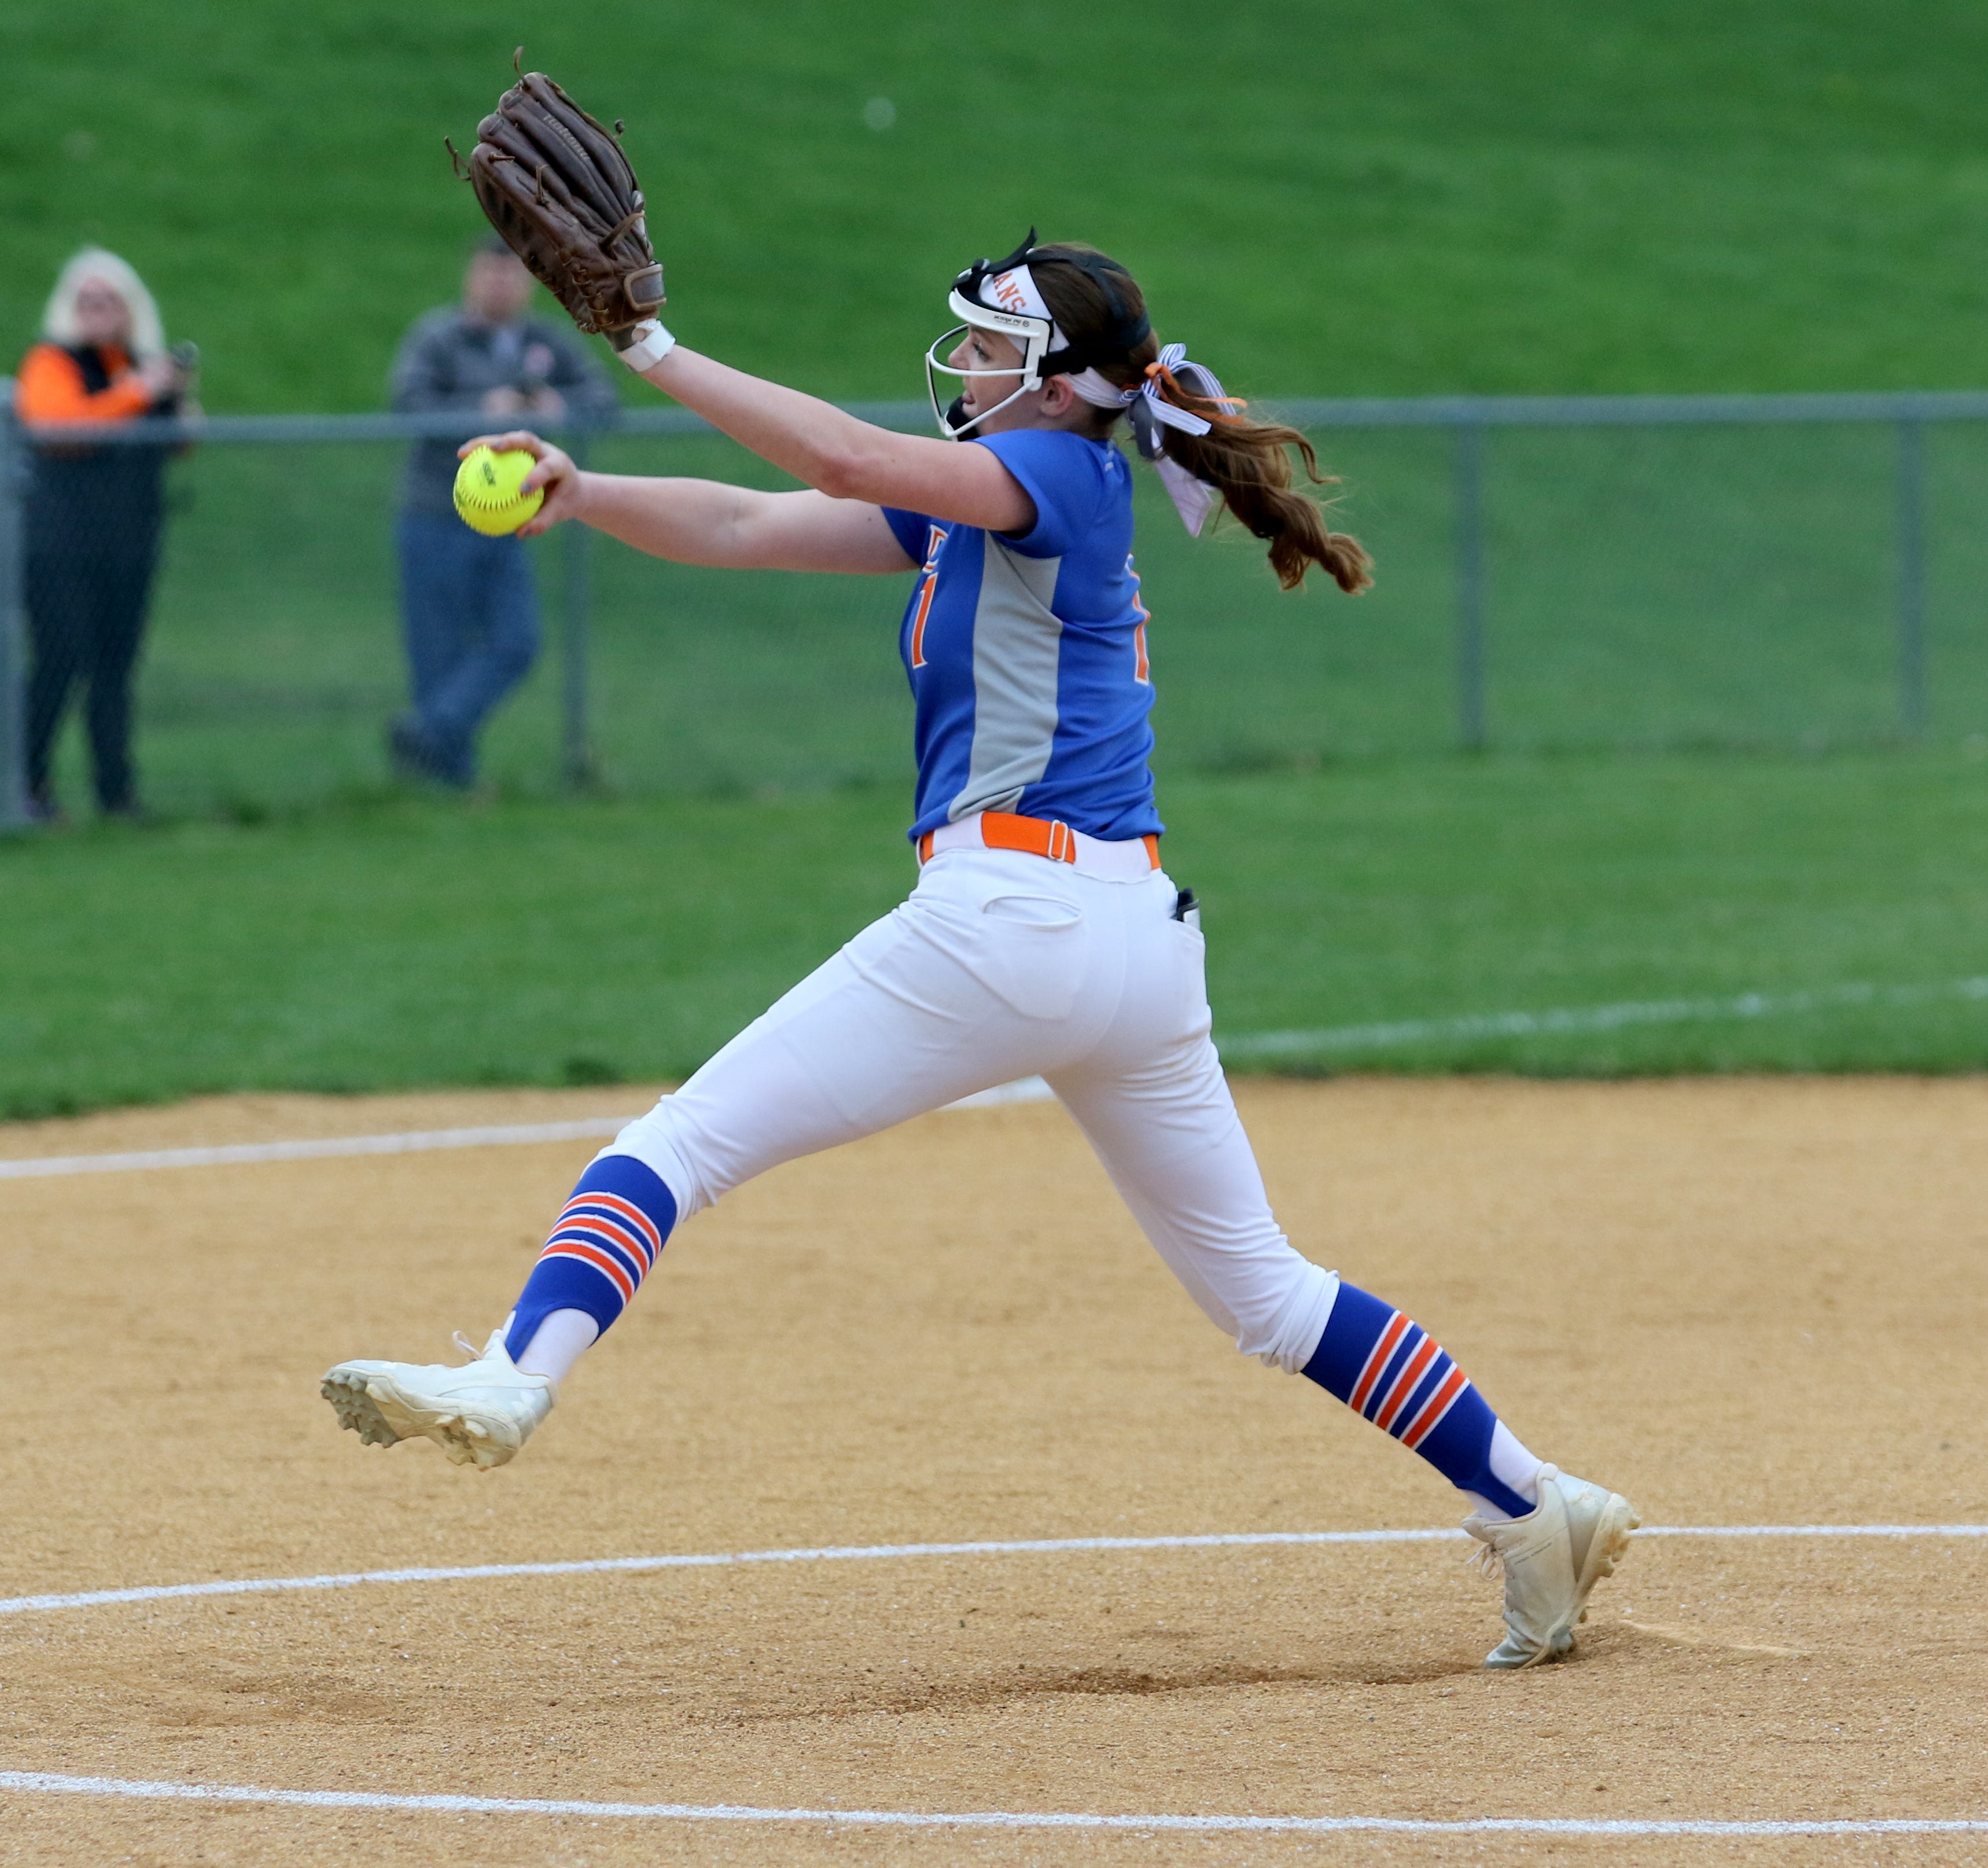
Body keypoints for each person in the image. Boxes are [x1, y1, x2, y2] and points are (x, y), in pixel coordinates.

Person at [323, 233, 1637, 1669]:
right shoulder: (990, 503)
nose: (967, 364)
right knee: (1264, 1293)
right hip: (1129, 941)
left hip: (1008, 922)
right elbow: (752, 524)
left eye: (996, 347)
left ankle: (516, 1375)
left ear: (1067, 384)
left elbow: (833, 457)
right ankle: (1532, 1504)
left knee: (681, 1144)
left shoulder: (1058, 476)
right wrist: (583, 493)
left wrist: (649, 353)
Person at [385, 237, 615, 788]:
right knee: (437, 651)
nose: (499, 284)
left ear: (531, 282)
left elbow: (603, 401)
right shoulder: (439, 337)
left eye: (512, 274)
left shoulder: (546, 343)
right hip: (437, 515)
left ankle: (427, 731)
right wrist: (481, 412)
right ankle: (449, 784)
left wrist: (556, 407)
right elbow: (406, 404)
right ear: (470, 278)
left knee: (517, 641)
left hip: (514, 522)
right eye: (489, 273)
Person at [13, 248, 193, 822]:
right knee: (60, 662)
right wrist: (141, 391)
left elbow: (177, 442)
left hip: (129, 542)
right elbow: (57, 429)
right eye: (87, 301)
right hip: (60, 545)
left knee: (115, 671)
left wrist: (175, 394)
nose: (98, 311)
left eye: (110, 300)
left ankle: (117, 794)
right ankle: (26, 786)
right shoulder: (52, 361)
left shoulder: (135, 365)